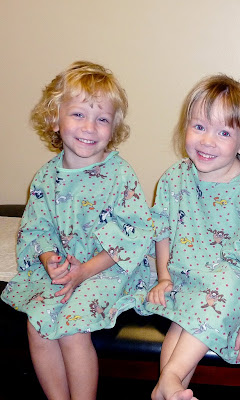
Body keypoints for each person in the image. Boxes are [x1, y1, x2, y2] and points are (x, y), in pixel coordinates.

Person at [1, 61, 154, 400]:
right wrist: (49, 259)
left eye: (102, 119)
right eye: (78, 115)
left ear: (113, 128)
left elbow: (135, 234)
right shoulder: (46, 177)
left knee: (72, 327)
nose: (90, 127)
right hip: (66, 268)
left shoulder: (119, 175)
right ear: (55, 119)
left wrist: (85, 270)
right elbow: (37, 226)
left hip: (108, 268)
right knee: (37, 324)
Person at [145, 74, 240, 400]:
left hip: (233, 285)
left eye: (224, 132)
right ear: (186, 127)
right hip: (186, 276)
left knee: (215, 292)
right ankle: (168, 389)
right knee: (182, 321)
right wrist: (163, 277)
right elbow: (162, 230)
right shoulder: (174, 179)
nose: (208, 141)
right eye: (199, 127)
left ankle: (168, 381)